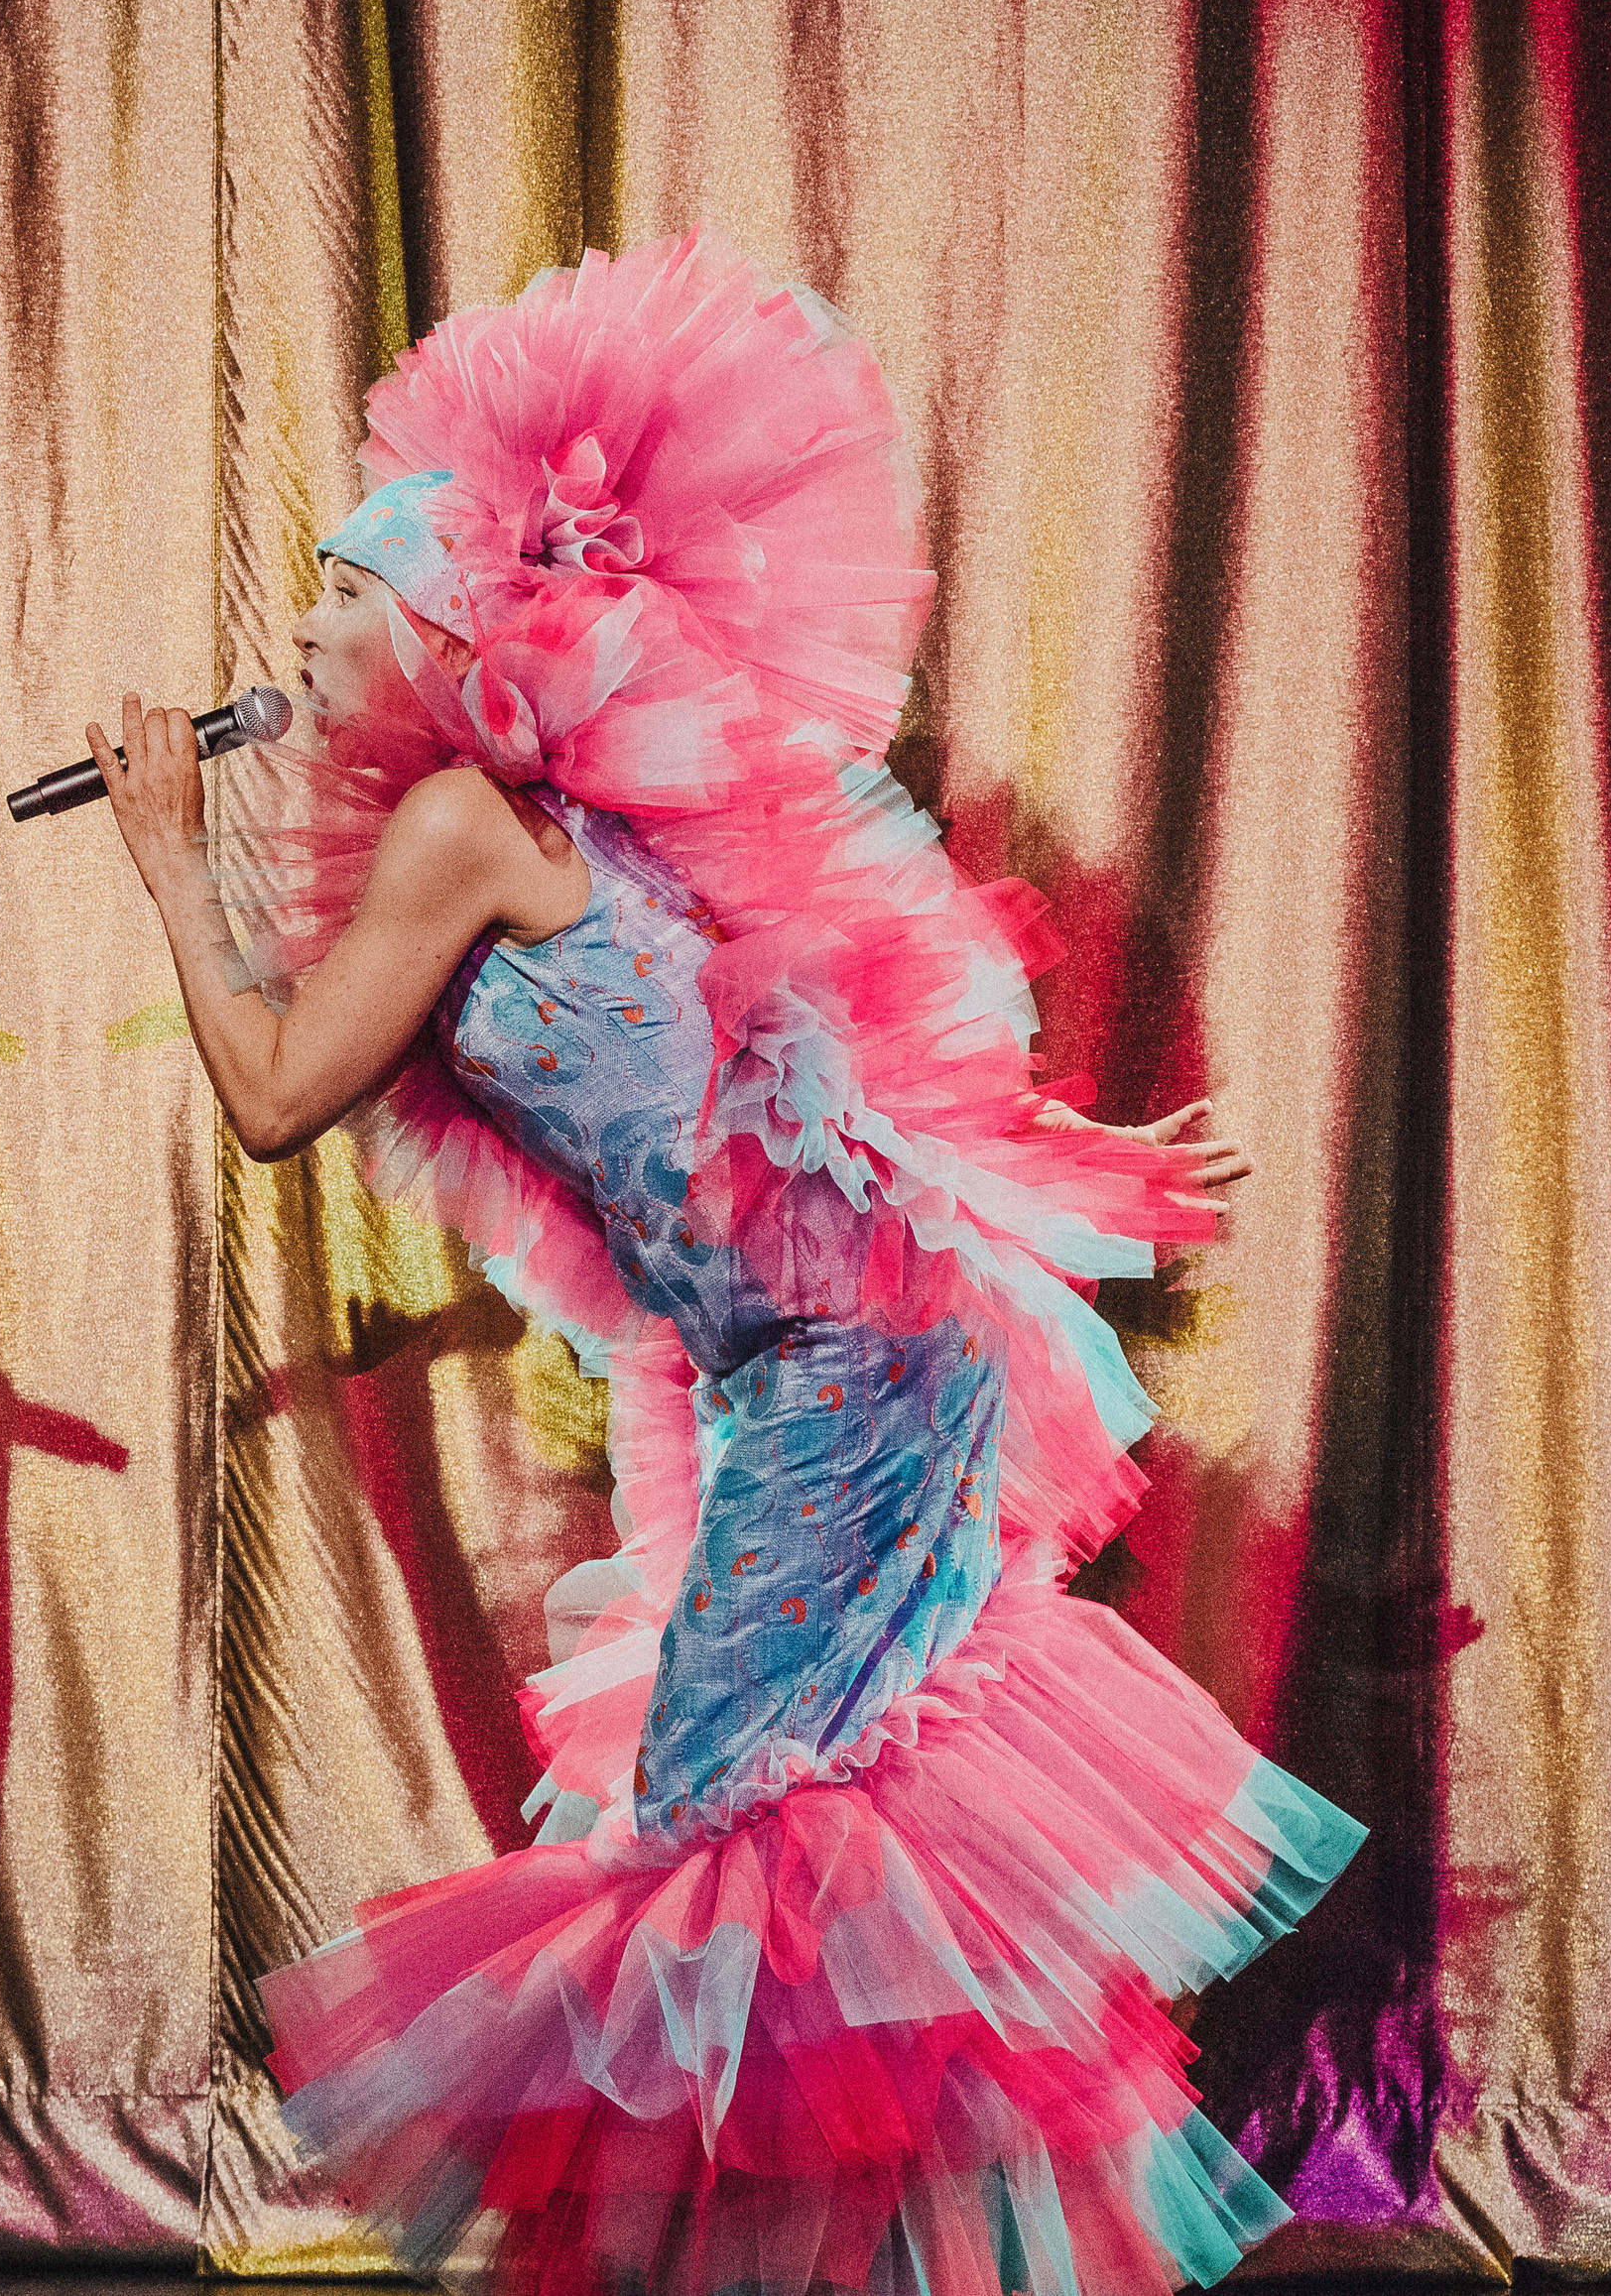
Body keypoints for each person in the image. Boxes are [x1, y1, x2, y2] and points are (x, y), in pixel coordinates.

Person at [86, 229, 1362, 2296]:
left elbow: (276, 1095)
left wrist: (165, 851)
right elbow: (793, 1086)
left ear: (440, 628)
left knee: (739, 1831)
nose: (302, 635)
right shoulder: (545, 828)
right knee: (786, 1838)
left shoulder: (467, 830)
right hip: (822, 1369)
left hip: (858, 1374)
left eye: (339, 596)